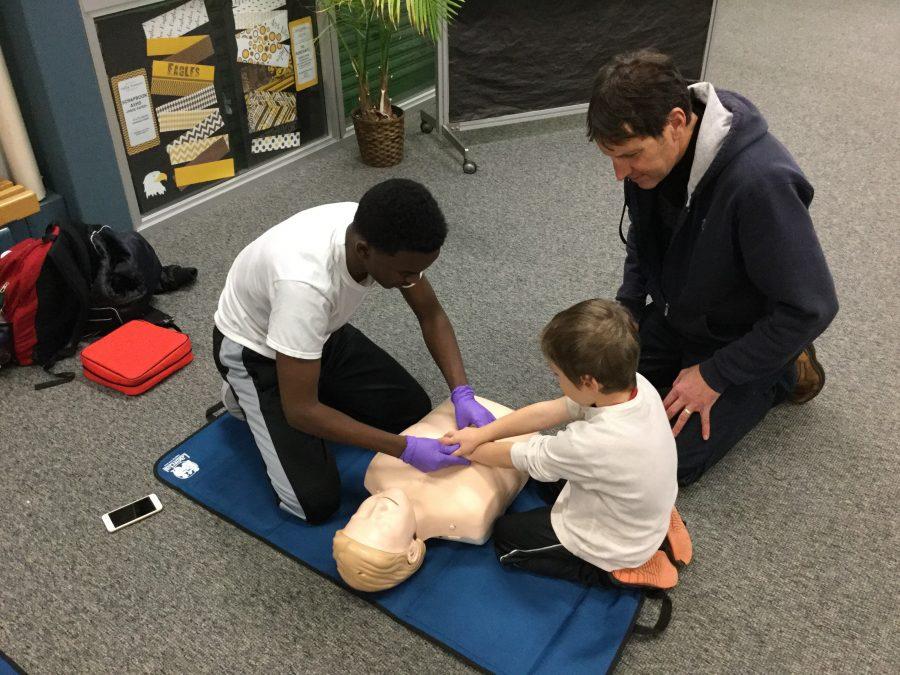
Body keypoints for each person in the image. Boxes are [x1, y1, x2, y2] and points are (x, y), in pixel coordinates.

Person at [587, 50, 839, 485]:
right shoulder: (650, 167)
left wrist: (716, 374)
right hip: (678, 312)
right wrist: (627, 307)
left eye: (629, 155)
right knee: (595, 403)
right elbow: (645, 239)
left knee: (665, 465)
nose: (619, 173)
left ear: (677, 123)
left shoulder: (761, 184)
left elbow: (811, 307)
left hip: (737, 337)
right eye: (611, 156)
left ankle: (786, 367)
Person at [212, 179, 496, 524]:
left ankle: (311, 381)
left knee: (412, 411)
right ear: (364, 251)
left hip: (322, 333)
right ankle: (242, 396)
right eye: (406, 273)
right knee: (314, 503)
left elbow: (431, 315)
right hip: (255, 352)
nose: (413, 279)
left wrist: (461, 393)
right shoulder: (305, 287)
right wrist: (404, 450)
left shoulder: (379, 229)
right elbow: (301, 412)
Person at [443, 299, 689, 589]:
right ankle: (657, 531)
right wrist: (483, 433)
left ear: (589, 382)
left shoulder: (592, 443)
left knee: (506, 539)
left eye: (557, 375)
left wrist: (466, 449)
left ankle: (616, 572)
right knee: (547, 474)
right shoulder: (636, 384)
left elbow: (525, 455)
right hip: (641, 505)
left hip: (619, 543)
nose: (556, 381)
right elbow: (552, 411)